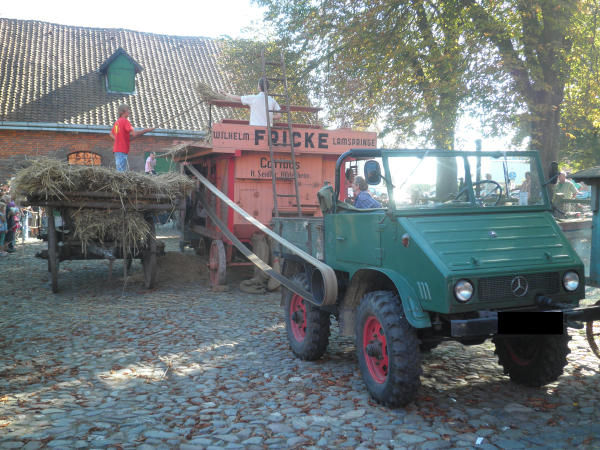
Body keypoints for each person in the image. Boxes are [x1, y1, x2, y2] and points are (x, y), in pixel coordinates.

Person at [110, 104, 155, 172]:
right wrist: (147, 130)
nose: (129, 111)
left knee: (120, 171)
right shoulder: (125, 121)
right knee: (121, 172)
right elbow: (134, 134)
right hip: (122, 150)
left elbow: (111, 134)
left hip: (117, 150)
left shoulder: (117, 123)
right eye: (128, 110)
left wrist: (121, 140)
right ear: (123, 112)